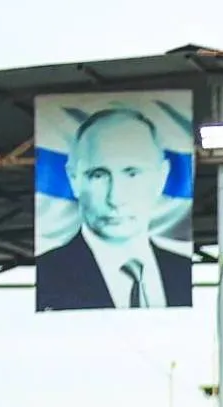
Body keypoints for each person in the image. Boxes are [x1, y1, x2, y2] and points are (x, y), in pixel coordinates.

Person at [35, 106, 192, 311]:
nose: (115, 198)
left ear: (162, 177)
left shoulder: (181, 271)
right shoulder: (46, 276)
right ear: (73, 179)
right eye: (98, 175)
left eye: (132, 173)